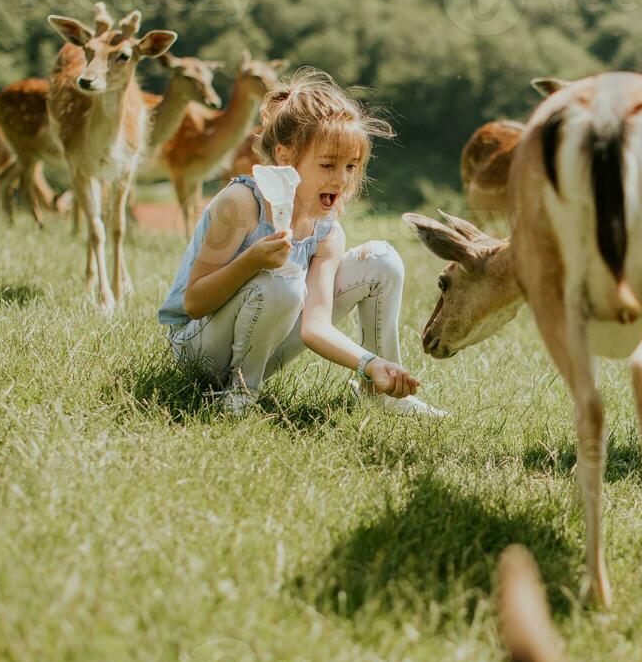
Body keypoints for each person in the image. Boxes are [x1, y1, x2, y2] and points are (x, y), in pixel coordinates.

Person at [157, 67, 444, 417]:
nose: (341, 179)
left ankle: (381, 395)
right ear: (285, 157)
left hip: (262, 344)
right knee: (284, 284)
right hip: (198, 347)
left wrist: (370, 365)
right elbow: (195, 302)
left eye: (352, 167)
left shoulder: (327, 230)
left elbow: (316, 327)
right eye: (327, 165)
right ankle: (241, 395)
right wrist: (252, 263)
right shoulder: (241, 203)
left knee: (381, 260)